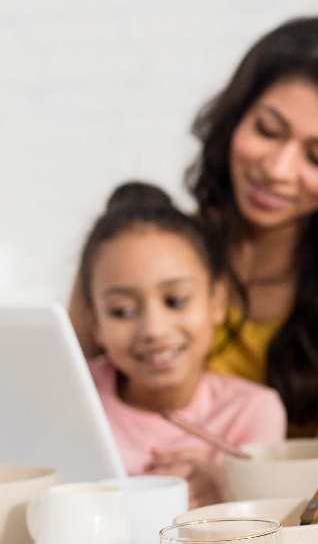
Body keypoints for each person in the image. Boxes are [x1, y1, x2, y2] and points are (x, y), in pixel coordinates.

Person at [73, 16, 318, 506]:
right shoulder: (148, 253)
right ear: (234, 118)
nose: (278, 170)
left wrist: (235, 488)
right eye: (268, 130)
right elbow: (59, 396)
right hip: (160, 502)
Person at [76, 181, 286, 508]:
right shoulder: (73, 396)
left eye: (175, 301)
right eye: (122, 311)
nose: (154, 330)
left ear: (217, 301)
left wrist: (228, 492)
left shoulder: (252, 411)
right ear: (95, 324)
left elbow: (267, 528)